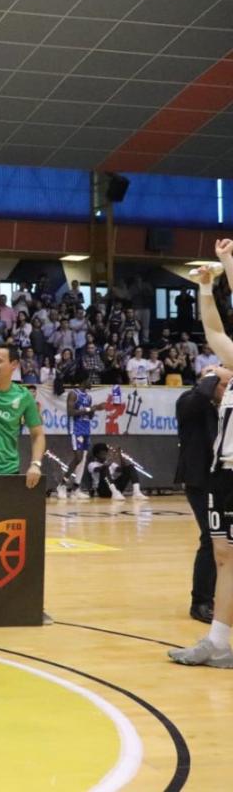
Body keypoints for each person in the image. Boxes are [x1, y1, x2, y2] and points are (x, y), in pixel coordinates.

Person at [170, 255, 233, 669]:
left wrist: (228, 261)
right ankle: (220, 641)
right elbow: (212, 328)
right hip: (223, 469)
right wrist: (206, 286)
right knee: (223, 554)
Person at [175, 369, 230, 624]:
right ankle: (200, 602)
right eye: (224, 385)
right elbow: (199, 397)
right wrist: (214, 374)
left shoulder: (225, 408)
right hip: (199, 481)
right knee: (210, 537)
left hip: (221, 479)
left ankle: (220, 597)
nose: (227, 390)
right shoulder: (189, 401)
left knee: (225, 541)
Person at [0, 343, 46, 487]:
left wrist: (36, 465)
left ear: (14, 364)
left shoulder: (24, 396)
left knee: (5, 511)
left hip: (9, 470)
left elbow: (38, 435)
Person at [57, 378, 96, 501]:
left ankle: (75, 489)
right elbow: (70, 412)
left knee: (83, 459)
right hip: (76, 429)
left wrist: (92, 411)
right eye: (90, 380)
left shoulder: (89, 397)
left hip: (86, 428)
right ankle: (62, 485)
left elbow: (89, 414)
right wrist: (85, 410)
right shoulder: (73, 393)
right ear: (84, 381)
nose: (92, 383)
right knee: (78, 458)